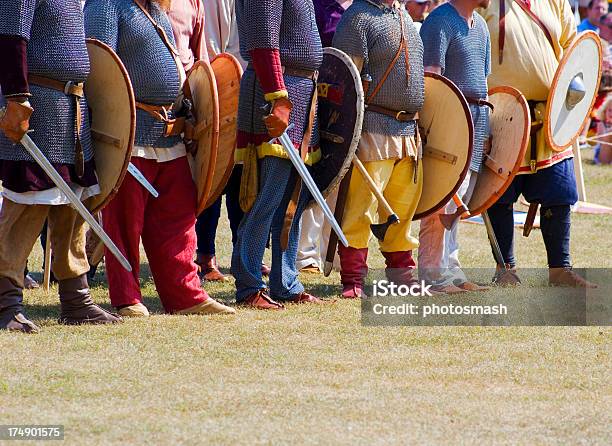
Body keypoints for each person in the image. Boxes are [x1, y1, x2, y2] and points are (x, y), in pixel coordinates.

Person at [84, 0, 236, 317]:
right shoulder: (106, 7)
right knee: (124, 221)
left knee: (178, 219)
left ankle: (184, 295)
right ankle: (127, 299)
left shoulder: (156, 11)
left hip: (169, 133)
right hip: (129, 132)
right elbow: (99, 71)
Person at [0, 0, 122, 332]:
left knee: (73, 208)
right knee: (27, 205)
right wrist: (15, 97)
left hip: (71, 109)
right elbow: (11, 37)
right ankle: (6, 303)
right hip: (38, 105)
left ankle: (76, 300)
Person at [479, 0, 595, 287]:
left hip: (551, 116)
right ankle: (505, 269)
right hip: (502, 112)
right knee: (499, 193)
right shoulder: (484, 3)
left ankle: (560, 269)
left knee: (560, 192)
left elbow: (573, 47)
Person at [231, 0, 326, 309]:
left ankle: (285, 281)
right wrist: (278, 98)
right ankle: (249, 286)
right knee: (266, 198)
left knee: (292, 203)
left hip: (301, 93)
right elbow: (263, 44)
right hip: (275, 95)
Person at [333, 0, 425, 298]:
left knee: (402, 210)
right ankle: (354, 279)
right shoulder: (358, 17)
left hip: (408, 132)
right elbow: (342, 79)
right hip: (373, 127)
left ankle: (403, 275)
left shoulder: (402, 15)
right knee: (360, 208)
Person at [418, 0, 492, 293]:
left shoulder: (482, 26)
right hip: (449, 123)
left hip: (476, 120)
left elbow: (483, 82)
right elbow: (431, 81)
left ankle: (452, 269)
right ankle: (432, 274)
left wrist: (487, 128)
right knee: (441, 201)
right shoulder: (440, 21)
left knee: (458, 203)